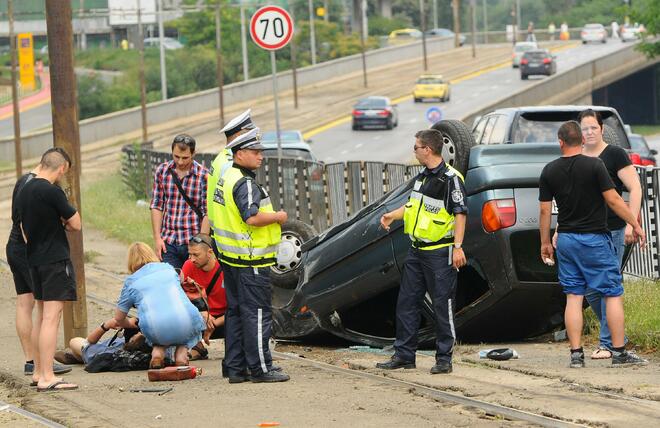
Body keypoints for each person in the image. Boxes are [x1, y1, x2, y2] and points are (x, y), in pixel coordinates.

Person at [539, 121, 647, 368]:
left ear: (561, 142)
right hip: (594, 240)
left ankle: (576, 355)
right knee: (612, 293)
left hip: (565, 240)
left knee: (574, 296)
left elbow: (545, 211)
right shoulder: (595, 166)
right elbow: (614, 200)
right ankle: (619, 353)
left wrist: (545, 242)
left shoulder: (549, 170)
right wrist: (635, 223)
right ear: (581, 140)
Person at [376, 129, 468, 375]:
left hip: (440, 252)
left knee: (442, 305)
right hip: (417, 251)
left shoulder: (450, 179)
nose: (414, 151)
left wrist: (457, 247)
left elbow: (460, 213)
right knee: (406, 303)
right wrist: (393, 216)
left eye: (416, 147)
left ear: (427, 149)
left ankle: (444, 358)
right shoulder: (422, 177)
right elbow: (413, 207)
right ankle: (405, 355)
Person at [211, 128, 290, 383]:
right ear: (240, 153)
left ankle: (236, 368)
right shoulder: (244, 182)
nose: (261, 157)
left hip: (231, 258)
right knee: (257, 315)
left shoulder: (226, 175)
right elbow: (252, 217)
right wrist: (278, 217)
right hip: (251, 259)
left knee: (235, 313)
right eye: (255, 152)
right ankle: (261, 369)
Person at [576, 109, 640, 359]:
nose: (589, 132)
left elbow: (635, 188)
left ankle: (607, 344)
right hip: (586, 233)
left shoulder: (614, 154)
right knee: (591, 289)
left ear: (602, 129)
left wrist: (631, 223)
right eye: (584, 129)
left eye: (593, 127)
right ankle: (618, 336)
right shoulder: (577, 157)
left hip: (613, 230)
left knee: (608, 287)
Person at [17, 148, 81, 392]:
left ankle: (37, 372)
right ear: (62, 168)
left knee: (42, 317)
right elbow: (76, 223)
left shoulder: (24, 189)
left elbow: (23, 230)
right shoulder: (51, 190)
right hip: (55, 259)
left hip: (34, 258)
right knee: (52, 319)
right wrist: (61, 222)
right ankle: (48, 376)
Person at [6, 164, 72, 377]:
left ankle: (31, 361)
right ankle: (42, 364)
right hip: (30, 248)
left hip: (14, 245)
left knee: (25, 303)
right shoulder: (39, 187)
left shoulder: (22, 182)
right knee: (45, 309)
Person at [110, 242, 206, 369]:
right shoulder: (169, 268)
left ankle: (156, 357)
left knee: (158, 341)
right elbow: (181, 281)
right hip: (187, 320)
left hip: (156, 328)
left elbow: (119, 317)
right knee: (184, 340)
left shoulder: (131, 282)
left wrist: (129, 324)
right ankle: (181, 358)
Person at [151, 134, 209, 269]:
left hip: (192, 241)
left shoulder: (203, 175)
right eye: (176, 157)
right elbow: (156, 205)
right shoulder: (162, 171)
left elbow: (208, 213)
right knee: (170, 285)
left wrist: (201, 244)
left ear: (193, 153)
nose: (181, 162)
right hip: (169, 241)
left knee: (192, 286)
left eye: (185, 158)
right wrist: (157, 239)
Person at [207, 109, 257, 251]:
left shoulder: (221, 158)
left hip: (223, 235)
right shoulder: (230, 164)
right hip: (234, 239)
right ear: (239, 135)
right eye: (250, 134)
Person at [181, 233, 226, 360]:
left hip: (222, 319)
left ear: (210, 252)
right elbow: (179, 299)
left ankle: (236, 349)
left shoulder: (225, 269)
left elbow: (237, 306)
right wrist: (202, 314)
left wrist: (214, 323)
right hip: (199, 317)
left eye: (196, 255)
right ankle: (197, 346)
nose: (192, 259)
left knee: (243, 314)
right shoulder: (188, 265)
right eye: (190, 254)